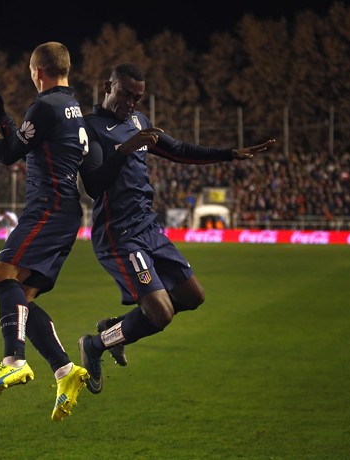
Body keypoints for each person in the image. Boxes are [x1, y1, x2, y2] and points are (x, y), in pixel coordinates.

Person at [77, 62, 275, 394]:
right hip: (119, 236)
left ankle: (116, 329)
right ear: (106, 87)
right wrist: (125, 149)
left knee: (193, 296)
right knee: (161, 313)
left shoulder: (139, 122)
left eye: (137, 97)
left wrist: (228, 154)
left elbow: (179, 150)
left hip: (148, 229)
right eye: (125, 94)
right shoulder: (91, 128)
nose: (131, 103)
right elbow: (94, 186)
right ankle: (95, 345)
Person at [0, 41, 95, 421]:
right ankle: (64, 370)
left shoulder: (43, 106)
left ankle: (14, 360)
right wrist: (3, 119)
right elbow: (24, 145)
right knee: (22, 300)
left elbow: (8, 154)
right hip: (65, 211)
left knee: (1, 274)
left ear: (37, 72)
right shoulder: (73, 109)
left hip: (48, 208)